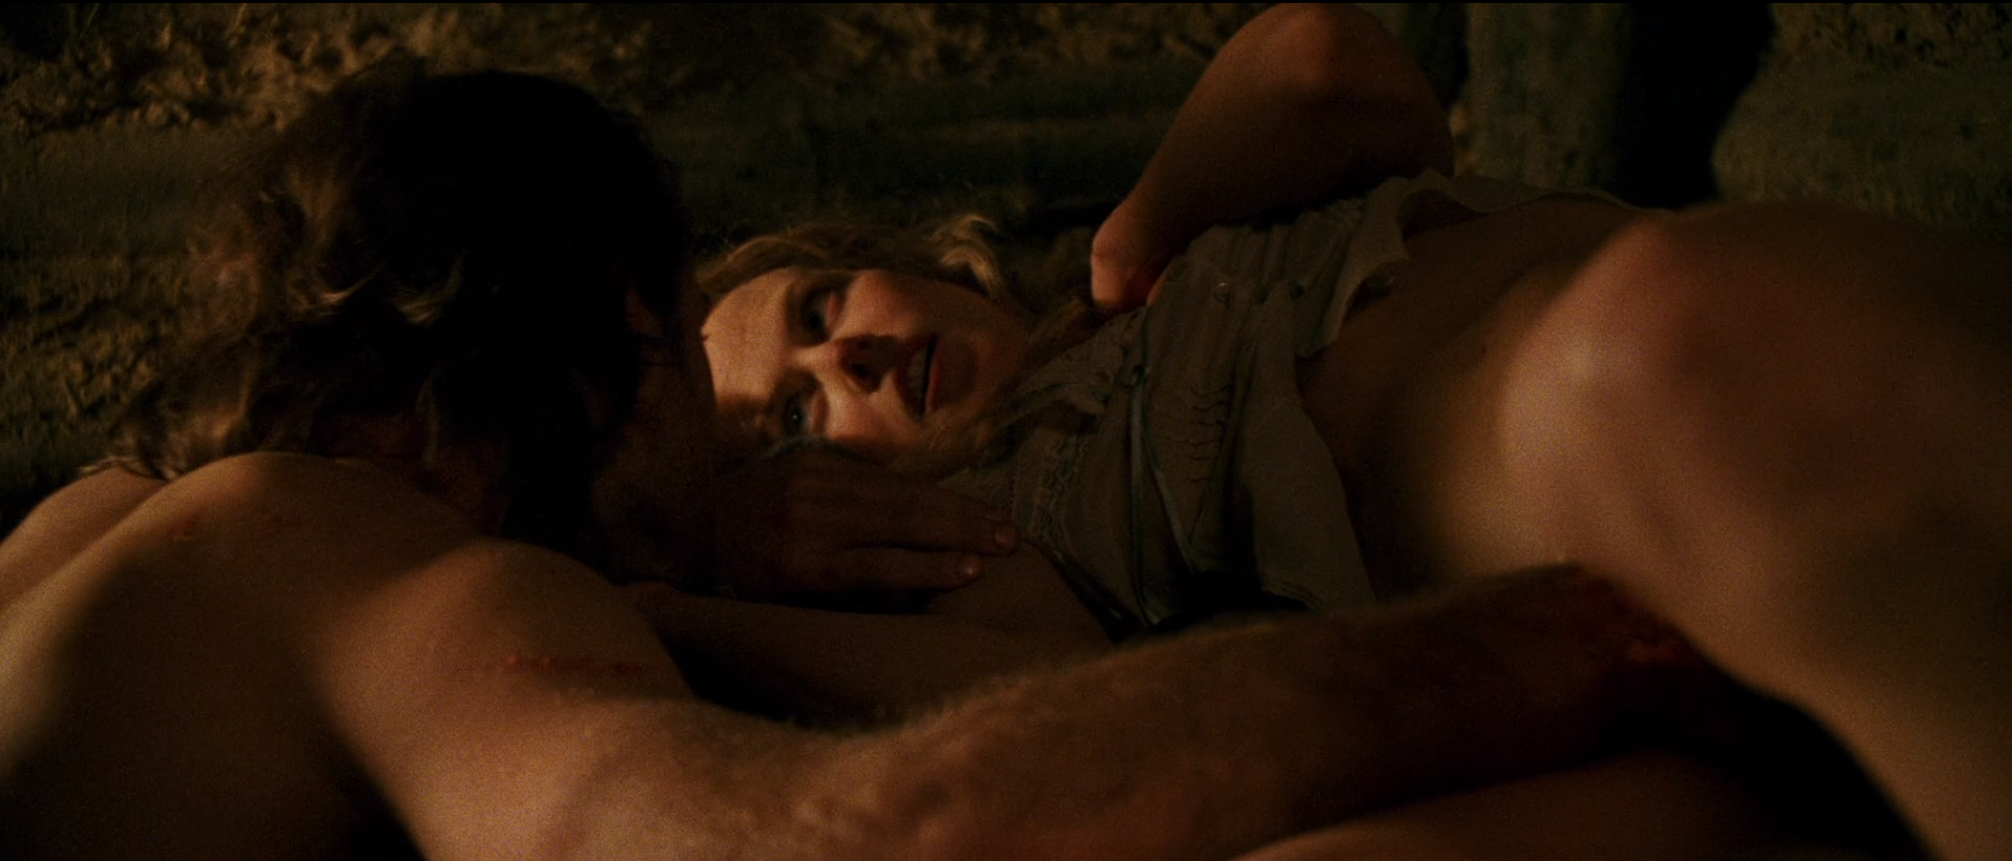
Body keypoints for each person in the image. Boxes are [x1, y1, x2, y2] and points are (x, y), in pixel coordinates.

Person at [0, 60, 1732, 860]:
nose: (786, 414)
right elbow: (865, 834)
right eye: (733, 393)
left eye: (825, 312)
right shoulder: (354, 559)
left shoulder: (106, 527)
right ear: (619, 337)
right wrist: (1593, 633)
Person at [690, 4, 2010, 859]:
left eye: (820, 308)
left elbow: (1327, 68)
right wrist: (692, 600)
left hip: (1725, 343)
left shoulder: (1154, 258)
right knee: (1648, 370)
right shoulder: (988, 540)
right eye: (800, 412)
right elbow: (1027, 694)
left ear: (902, 263)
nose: (845, 357)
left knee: (1667, 345)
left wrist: (1138, 232)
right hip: (1628, 489)